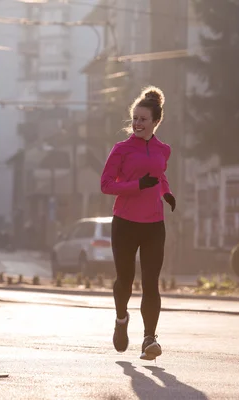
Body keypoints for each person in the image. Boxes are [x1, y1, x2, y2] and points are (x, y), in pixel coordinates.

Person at [100, 85, 176, 361]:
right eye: (134, 118)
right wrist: (136, 186)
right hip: (125, 223)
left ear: (156, 122)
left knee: (152, 283)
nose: (137, 124)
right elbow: (106, 185)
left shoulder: (163, 150)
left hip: (154, 224)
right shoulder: (121, 149)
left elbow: (160, 175)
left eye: (143, 119)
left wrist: (166, 193)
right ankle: (121, 321)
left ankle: (149, 339)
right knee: (125, 280)